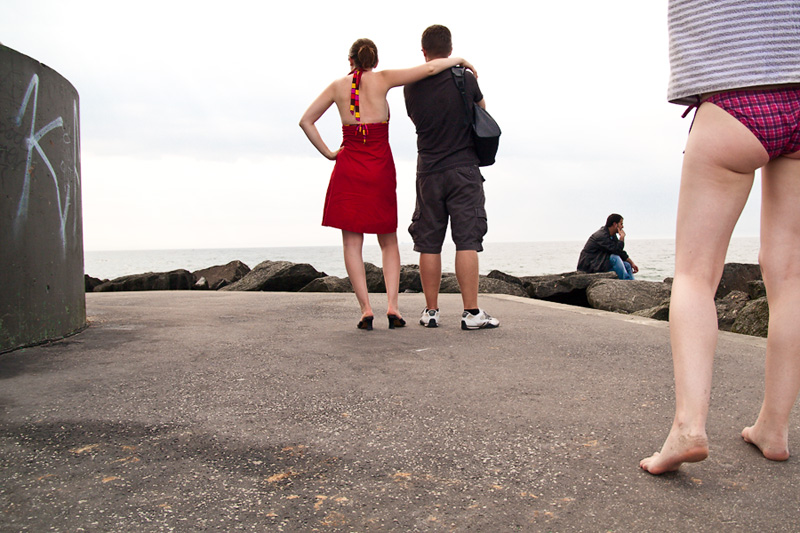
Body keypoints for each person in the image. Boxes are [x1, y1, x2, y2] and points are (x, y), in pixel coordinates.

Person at [640, 1, 800, 474]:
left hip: (735, 101)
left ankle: (688, 427)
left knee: (695, 273)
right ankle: (774, 427)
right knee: (790, 275)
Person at [299, 38, 475, 331]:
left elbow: (306, 121)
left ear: (350, 60)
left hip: (349, 166)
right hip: (379, 167)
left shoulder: (336, 87)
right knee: (388, 239)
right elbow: (430, 69)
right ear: (375, 61)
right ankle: (393, 306)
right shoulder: (383, 79)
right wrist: (458, 60)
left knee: (352, 243)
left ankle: (366, 309)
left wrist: (330, 153)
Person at [404, 24, 499, 331]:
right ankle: (471, 313)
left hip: (429, 171)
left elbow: (415, 118)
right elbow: (481, 111)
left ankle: (431, 311)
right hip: (464, 169)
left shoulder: (411, 85)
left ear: (424, 51)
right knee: (467, 240)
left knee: (429, 243)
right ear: (450, 48)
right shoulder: (464, 78)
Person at [577, 214, 638, 280]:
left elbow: (620, 252)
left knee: (627, 265)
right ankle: (625, 281)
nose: (622, 227)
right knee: (615, 257)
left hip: (600, 263)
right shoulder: (601, 235)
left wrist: (632, 263)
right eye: (621, 224)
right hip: (590, 266)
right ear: (615, 224)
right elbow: (616, 250)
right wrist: (622, 238)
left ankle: (632, 283)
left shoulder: (611, 235)